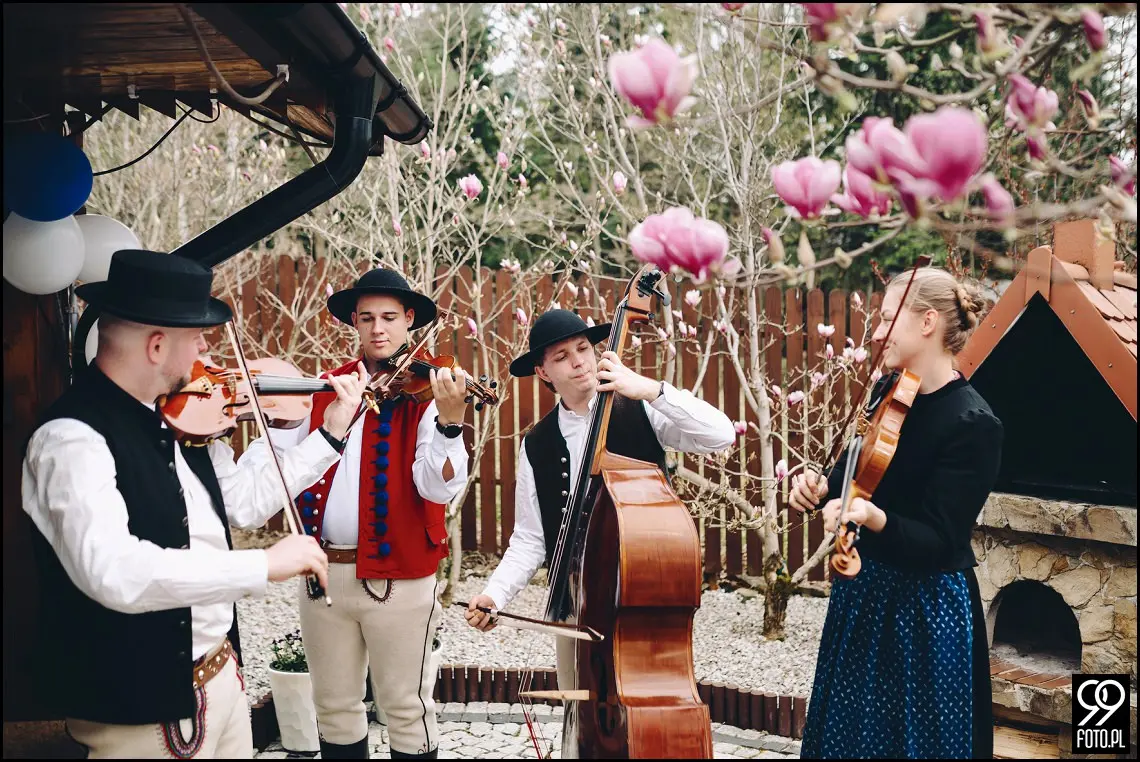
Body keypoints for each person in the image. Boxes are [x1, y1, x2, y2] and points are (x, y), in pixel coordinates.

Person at [21, 249, 368, 759]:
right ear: (158, 345)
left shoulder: (179, 424)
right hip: (139, 712)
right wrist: (263, 564)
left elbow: (245, 502)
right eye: (198, 338)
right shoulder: (71, 438)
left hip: (220, 682)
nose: (207, 352)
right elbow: (113, 571)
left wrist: (332, 430)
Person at [463, 308, 736, 757]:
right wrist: (494, 596)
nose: (579, 362)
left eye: (585, 349)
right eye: (562, 355)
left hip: (642, 598)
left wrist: (650, 388)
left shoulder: (641, 410)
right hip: (575, 609)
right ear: (543, 371)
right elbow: (530, 538)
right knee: (585, 721)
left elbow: (720, 435)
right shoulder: (537, 444)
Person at [240, 268, 471, 759]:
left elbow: (437, 486)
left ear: (410, 319)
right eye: (366, 318)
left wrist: (451, 423)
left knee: (406, 707)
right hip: (324, 575)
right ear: (354, 324)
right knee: (334, 706)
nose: (378, 328)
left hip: (400, 577)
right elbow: (284, 474)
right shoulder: (327, 388)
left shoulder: (426, 396)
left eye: (389, 317)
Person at [790, 267, 1002, 760]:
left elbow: (939, 540)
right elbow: (851, 477)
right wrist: (819, 487)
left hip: (923, 612)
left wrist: (868, 515)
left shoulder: (974, 424)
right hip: (865, 594)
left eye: (888, 318)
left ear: (927, 322)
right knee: (848, 739)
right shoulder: (889, 392)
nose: (877, 330)